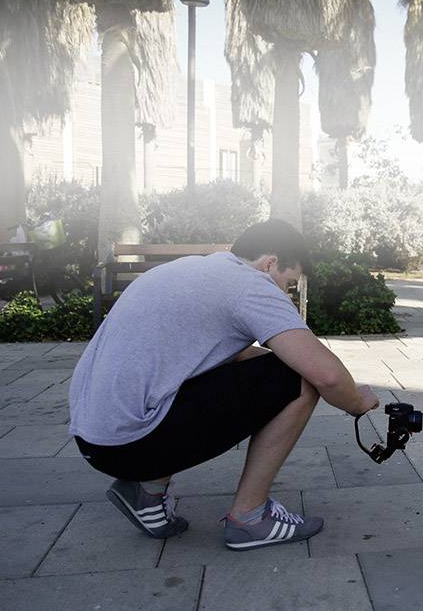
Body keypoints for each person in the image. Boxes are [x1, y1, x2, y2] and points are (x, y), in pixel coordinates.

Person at [68, 219, 379, 550]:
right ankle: (250, 519)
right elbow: (326, 376)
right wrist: (357, 403)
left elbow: (228, 354)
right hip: (130, 442)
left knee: (268, 369)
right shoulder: (251, 285)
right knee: (299, 380)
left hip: (93, 438)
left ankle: (146, 494)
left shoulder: (190, 270)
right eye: (288, 284)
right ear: (270, 263)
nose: (285, 293)